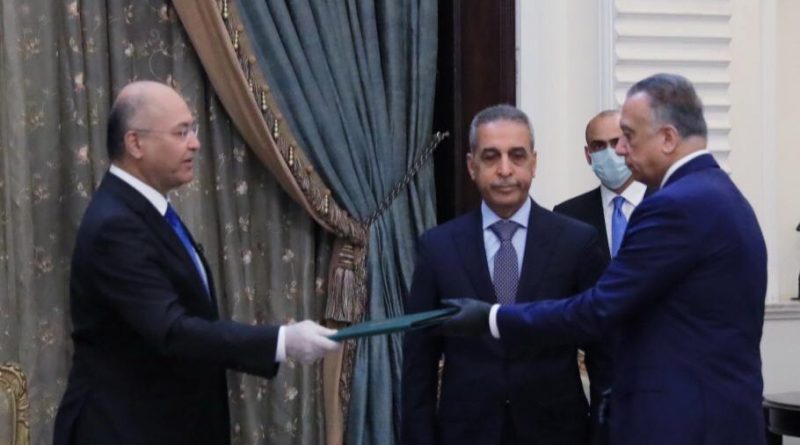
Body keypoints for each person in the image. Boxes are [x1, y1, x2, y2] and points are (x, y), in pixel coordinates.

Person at [441, 74, 768, 445]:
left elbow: (599, 308)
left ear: (667, 138)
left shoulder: (675, 206)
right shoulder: (721, 193)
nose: (621, 151)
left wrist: (493, 317)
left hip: (686, 424)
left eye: (628, 136)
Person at [53, 81, 340, 445]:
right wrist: (282, 341)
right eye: (181, 132)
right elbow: (171, 331)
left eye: (193, 129)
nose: (195, 143)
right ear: (135, 143)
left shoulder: (145, 209)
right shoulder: (116, 225)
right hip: (126, 428)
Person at [401, 104, 609, 445]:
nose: (505, 169)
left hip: (557, 433)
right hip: (466, 433)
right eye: (491, 157)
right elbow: (418, 365)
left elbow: (604, 354)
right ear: (471, 165)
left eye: (517, 155)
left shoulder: (576, 242)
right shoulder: (438, 247)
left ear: (534, 163)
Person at [554, 110, 651, 261]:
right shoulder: (567, 215)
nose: (610, 154)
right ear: (588, 155)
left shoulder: (669, 203)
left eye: (617, 142)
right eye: (599, 146)